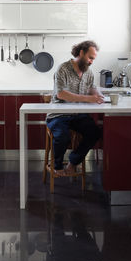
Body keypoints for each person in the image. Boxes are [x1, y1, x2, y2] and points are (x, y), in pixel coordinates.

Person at [46, 40, 104, 177]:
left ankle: (72, 163)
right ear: (81, 53)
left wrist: (99, 95)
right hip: (58, 114)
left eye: (93, 59)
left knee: (94, 133)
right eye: (90, 58)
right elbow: (61, 94)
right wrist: (89, 99)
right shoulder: (63, 68)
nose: (91, 62)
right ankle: (57, 166)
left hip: (78, 115)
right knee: (62, 136)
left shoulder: (88, 72)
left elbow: (91, 88)